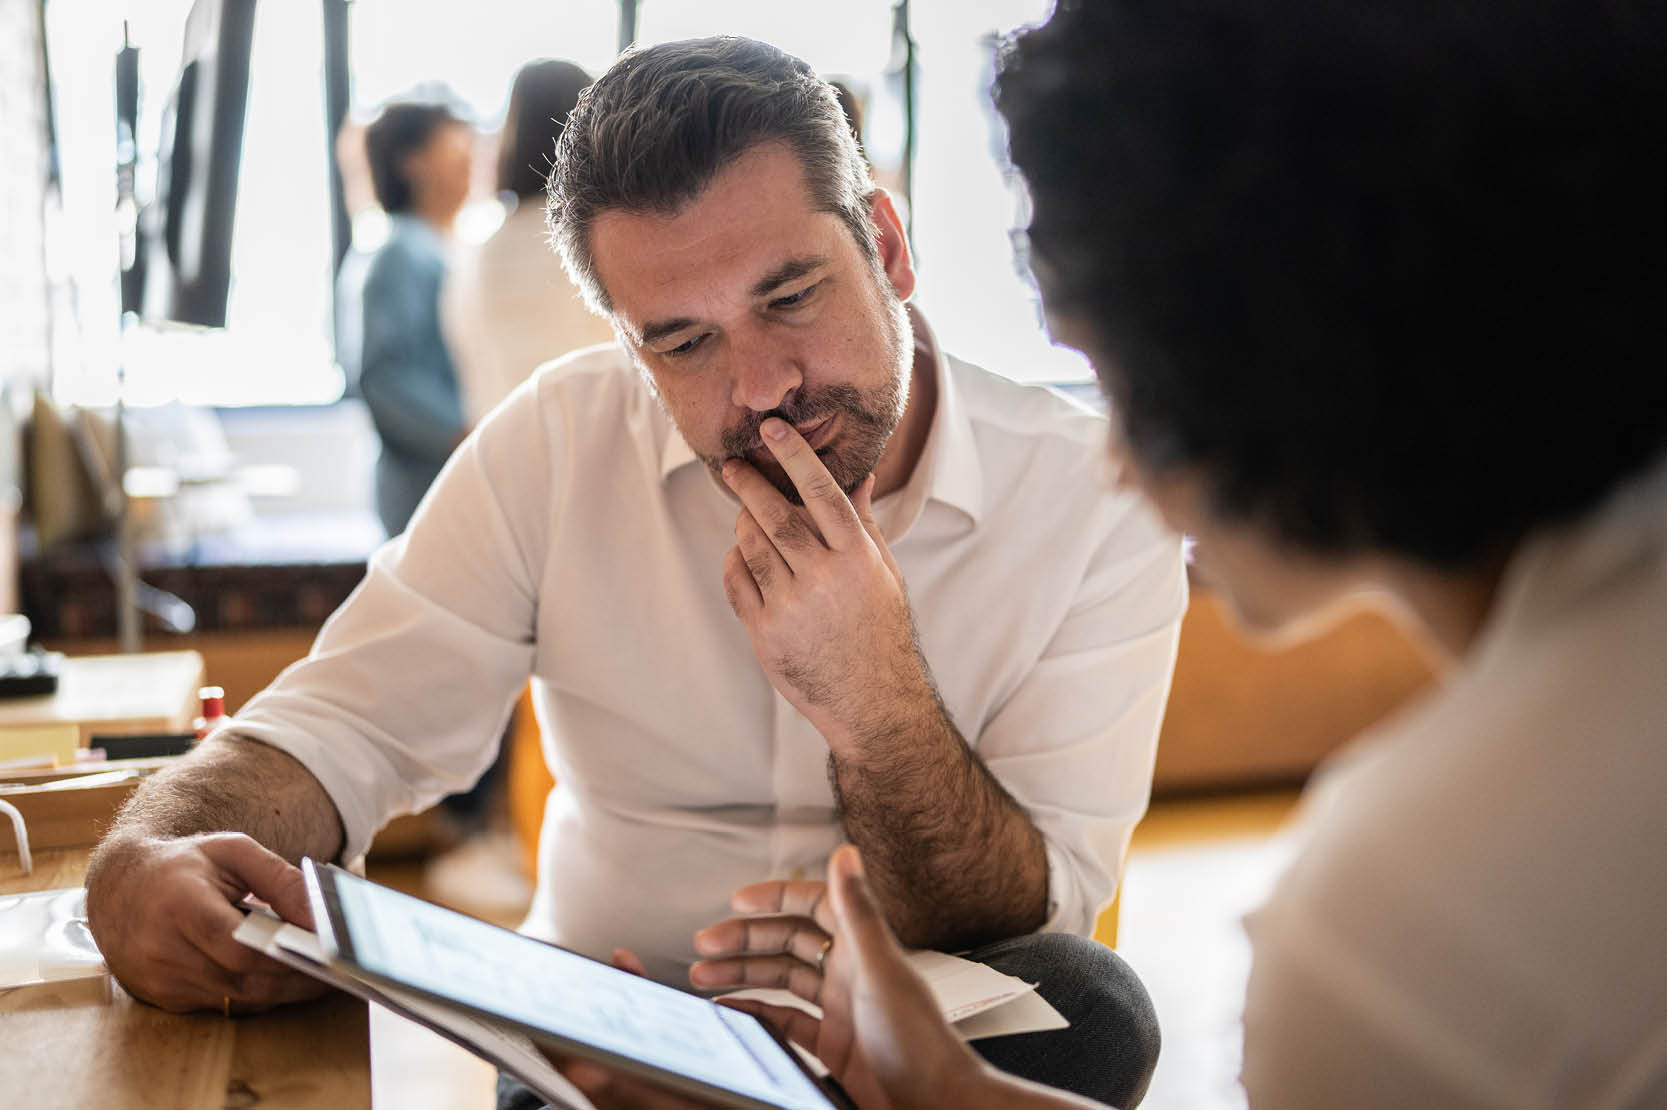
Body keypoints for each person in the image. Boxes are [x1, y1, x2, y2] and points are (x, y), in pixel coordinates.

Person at [561, 2, 1667, 1107]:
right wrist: (945, 1087)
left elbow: (1048, 908)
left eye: (1121, 376)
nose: (1123, 466)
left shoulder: (1395, 935)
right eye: (684, 339)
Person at [83, 36, 1186, 1107]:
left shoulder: (1093, 494)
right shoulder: (557, 441)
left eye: (790, 297)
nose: (761, 389)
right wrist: (142, 852)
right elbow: (341, 729)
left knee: (1094, 1008)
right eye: (684, 343)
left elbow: (1034, 912)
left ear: (887, 248)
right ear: (628, 344)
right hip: (621, 1015)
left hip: (914, 1029)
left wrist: (877, 699)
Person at [441, 59, 615, 425]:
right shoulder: (600, 240)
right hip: (599, 439)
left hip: (500, 443)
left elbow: (468, 366)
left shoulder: (475, 253)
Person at [357, 96, 473, 537]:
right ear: (412, 162)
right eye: (453, 141)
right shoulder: (400, 254)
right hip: (424, 487)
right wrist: (466, 432)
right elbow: (386, 379)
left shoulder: (444, 248)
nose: (469, 152)